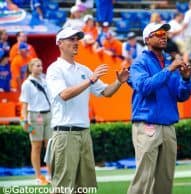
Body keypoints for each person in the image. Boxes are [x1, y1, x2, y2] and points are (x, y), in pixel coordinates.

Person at [46, 27, 129, 192]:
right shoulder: (54, 69)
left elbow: (106, 92)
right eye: (71, 39)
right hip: (65, 134)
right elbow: (64, 94)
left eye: (77, 39)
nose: (76, 42)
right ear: (60, 44)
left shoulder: (84, 69)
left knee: (87, 187)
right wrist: (90, 81)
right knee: (63, 187)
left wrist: (119, 82)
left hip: (84, 133)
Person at [127, 22, 191, 194]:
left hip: (168, 125)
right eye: (159, 33)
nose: (164, 36)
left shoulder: (169, 63)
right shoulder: (139, 63)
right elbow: (144, 87)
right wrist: (169, 70)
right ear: (148, 39)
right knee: (144, 177)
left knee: (166, 179)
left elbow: (181, 96)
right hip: (148, 124)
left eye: (166, 34)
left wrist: (186, 80)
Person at [19, 58, 52, 185]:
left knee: (50, 146)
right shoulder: (27, 84)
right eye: (37, 65)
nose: (40, 67)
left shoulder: (45, 81)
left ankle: (50, 175)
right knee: (36, 146)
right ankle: (39, 176)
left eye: (41, 65)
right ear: (31, 68)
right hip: (35, 115)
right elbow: (24, 105)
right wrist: (24, 121)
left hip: (49, 114)